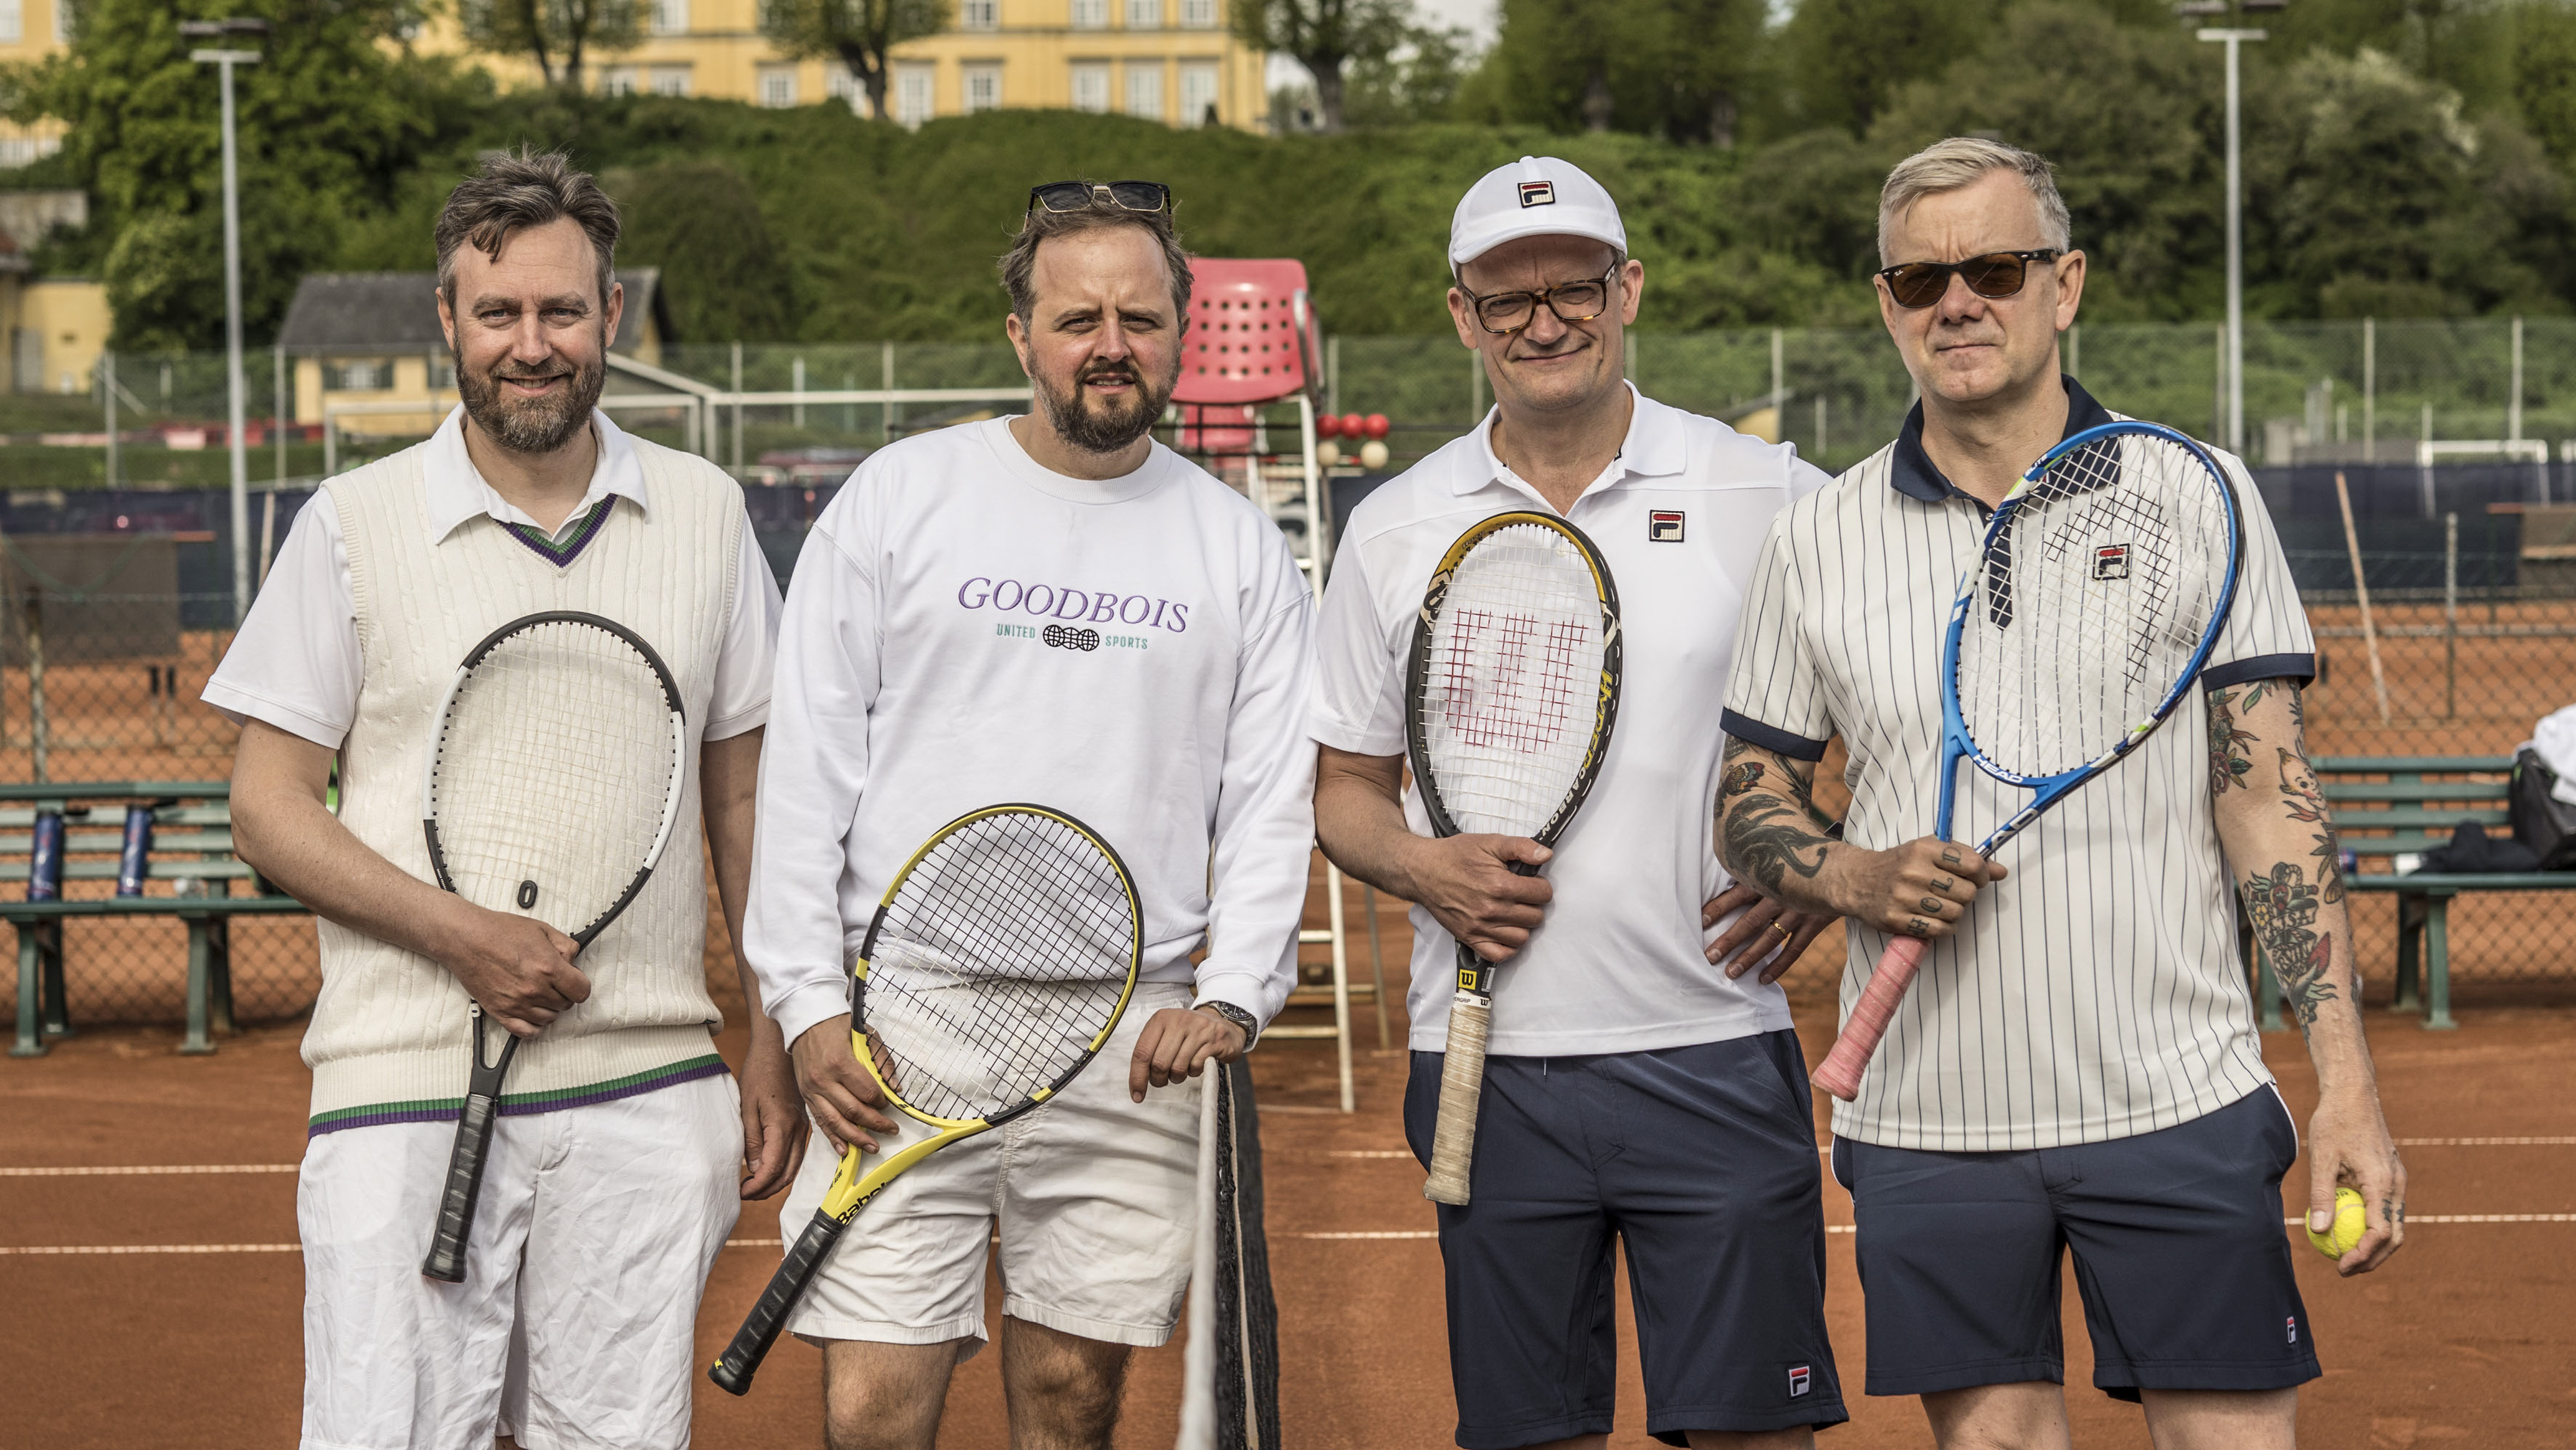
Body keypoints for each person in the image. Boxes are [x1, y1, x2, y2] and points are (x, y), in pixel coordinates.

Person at [1715, 136, 2406, 1450]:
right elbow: (1751, 795)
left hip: (2177, 1097)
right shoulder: (1820, 536)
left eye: (1993, 266)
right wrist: (1858, 874)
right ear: (1887, 304)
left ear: (2064, 283)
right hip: (1928, 1116)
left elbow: (2270, 800)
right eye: (1922, 280)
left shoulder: (2198, 495)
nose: (1958, 302)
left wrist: (2348, 1087)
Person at [216, 150, 802, 1449]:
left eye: (561, 312)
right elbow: (267, 806)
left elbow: (747, 796)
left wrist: (769, 1032)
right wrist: (460, 936)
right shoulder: (350, 523)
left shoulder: (707, 515)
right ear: (447, 319)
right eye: (498, 314)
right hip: (402, 1089)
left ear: (611, 319)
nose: (530, 345)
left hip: (649, 1089)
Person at [742, 179, 1314, 1450]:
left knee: (1073, 1400)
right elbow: (807, 769)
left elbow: (1272, 801)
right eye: (1079, 318)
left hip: (1132, 1032)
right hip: (906, 1027)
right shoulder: (900, 499)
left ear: (1180, 331)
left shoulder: (1237, 547)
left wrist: (1233, 995)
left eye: (1141, 317)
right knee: (874, 1405)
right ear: (1021, 335)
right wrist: (806, 1004)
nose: (1111, 344)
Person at [1310, 155, 1848, 1450]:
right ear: (1461, 316)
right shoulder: (1391, 526)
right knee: (1528, 1436)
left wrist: (1824, 862)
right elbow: (1343, 792)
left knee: (1749, 1434)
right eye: (1506, 299)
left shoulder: (1768, 492)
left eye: (1573, 287)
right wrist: (1424, 870)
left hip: (1712, 1044)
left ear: (1629, 289)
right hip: (1489, 1073)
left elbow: (1897, 705)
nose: (1543, 321)